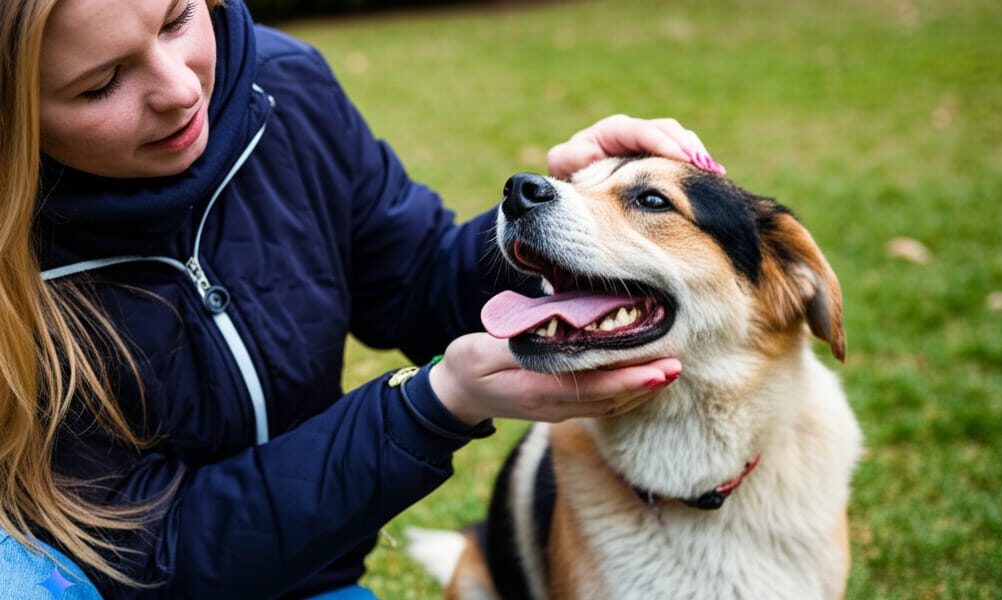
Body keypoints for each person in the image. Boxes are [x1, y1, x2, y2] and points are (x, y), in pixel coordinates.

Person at [0, 0, 724, 597]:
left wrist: (566, 225)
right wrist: (427, 406)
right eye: (101, 84)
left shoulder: (283, 89)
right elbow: (148, 553)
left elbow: (418, 279)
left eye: (177, 20)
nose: (180, 89)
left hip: (297, 580)